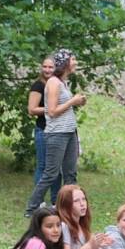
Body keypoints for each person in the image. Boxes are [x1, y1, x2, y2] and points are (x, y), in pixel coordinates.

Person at [25, 49, 88, 217]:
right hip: (57, 133)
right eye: (73, 59)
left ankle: (69, 209)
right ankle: (31, 208)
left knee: (70, 173)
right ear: (66, 62)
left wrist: (78, 102)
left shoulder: (63, 82)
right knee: (51, 173)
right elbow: (51, 111)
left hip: (69, 132)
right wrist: (72, 101)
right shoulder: (53, 82)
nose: (75, 63)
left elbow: (63, 107)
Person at [28, 56, 62, 205]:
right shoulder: (38, 86)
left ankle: (56, 201)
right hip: (43, 130)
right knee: (43, 166)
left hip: (58, 131)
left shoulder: (58, 84)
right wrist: (52, 109)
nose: (47, 70)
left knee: (56, 168)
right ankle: (38, 201)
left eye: (51, 67)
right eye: (45, 67)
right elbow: (32, 109)